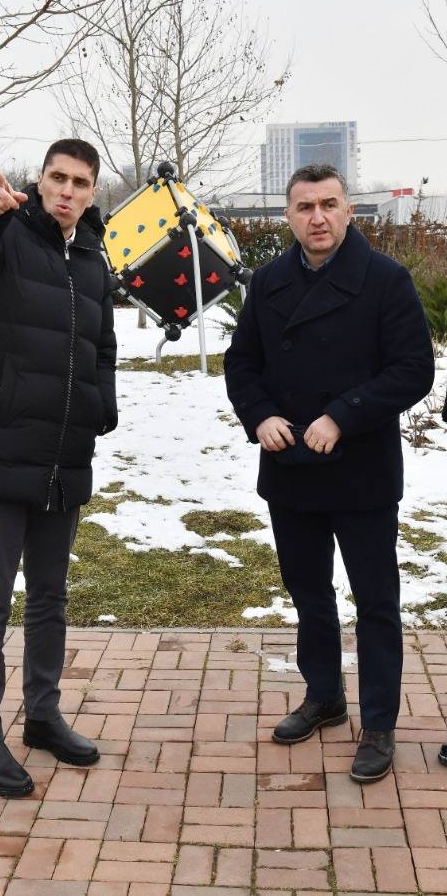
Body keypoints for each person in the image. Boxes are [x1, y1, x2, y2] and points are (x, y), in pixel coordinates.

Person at [224, 163, 435, 784]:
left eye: (328, 204)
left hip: (361, 470)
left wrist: (343, 415)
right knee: (309, 593)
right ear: (288, 216)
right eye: (304, 207)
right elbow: (242, 364)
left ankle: (380, 722)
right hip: (290, 465)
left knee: (376, 601)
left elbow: (413, 370)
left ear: (348, 210)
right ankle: (324, 696)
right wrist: (260, 416)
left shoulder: (385, 279)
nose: (317, 217)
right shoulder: (269, 281)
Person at [0, 138, 117, 798]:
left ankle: (42, 716)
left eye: (79, 182)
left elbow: (102, 346)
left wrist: (101, 408)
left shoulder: (92, 259)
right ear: (39, 180)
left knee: (49, 598)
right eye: (57, 177)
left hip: (62, 453)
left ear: (92, 192)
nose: (66, 190)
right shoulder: (5, 233)